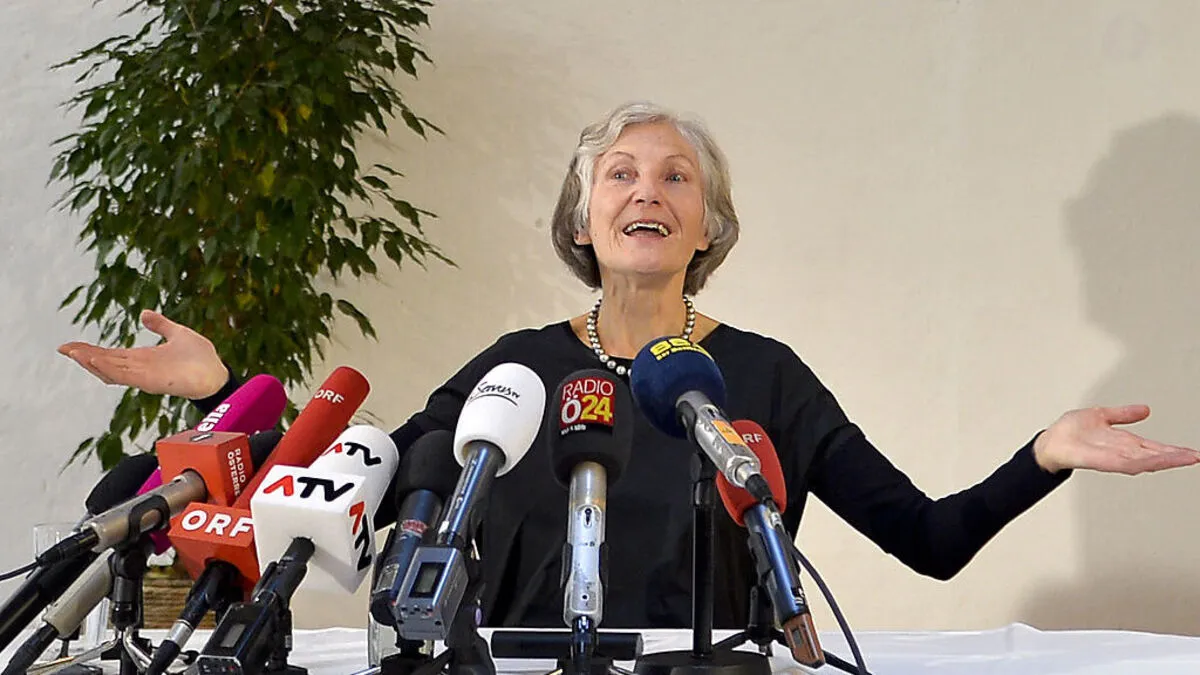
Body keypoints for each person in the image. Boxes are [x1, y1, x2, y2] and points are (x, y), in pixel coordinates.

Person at [58, 101, 1199, 629]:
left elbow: (930, 540)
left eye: (675, 178)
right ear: (582, 218)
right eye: (620, 174)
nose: (646, 190)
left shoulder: (766, 376)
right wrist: (226, 399)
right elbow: (361, 481)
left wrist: (1043, 456)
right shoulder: (514, 369)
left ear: (707, 226)